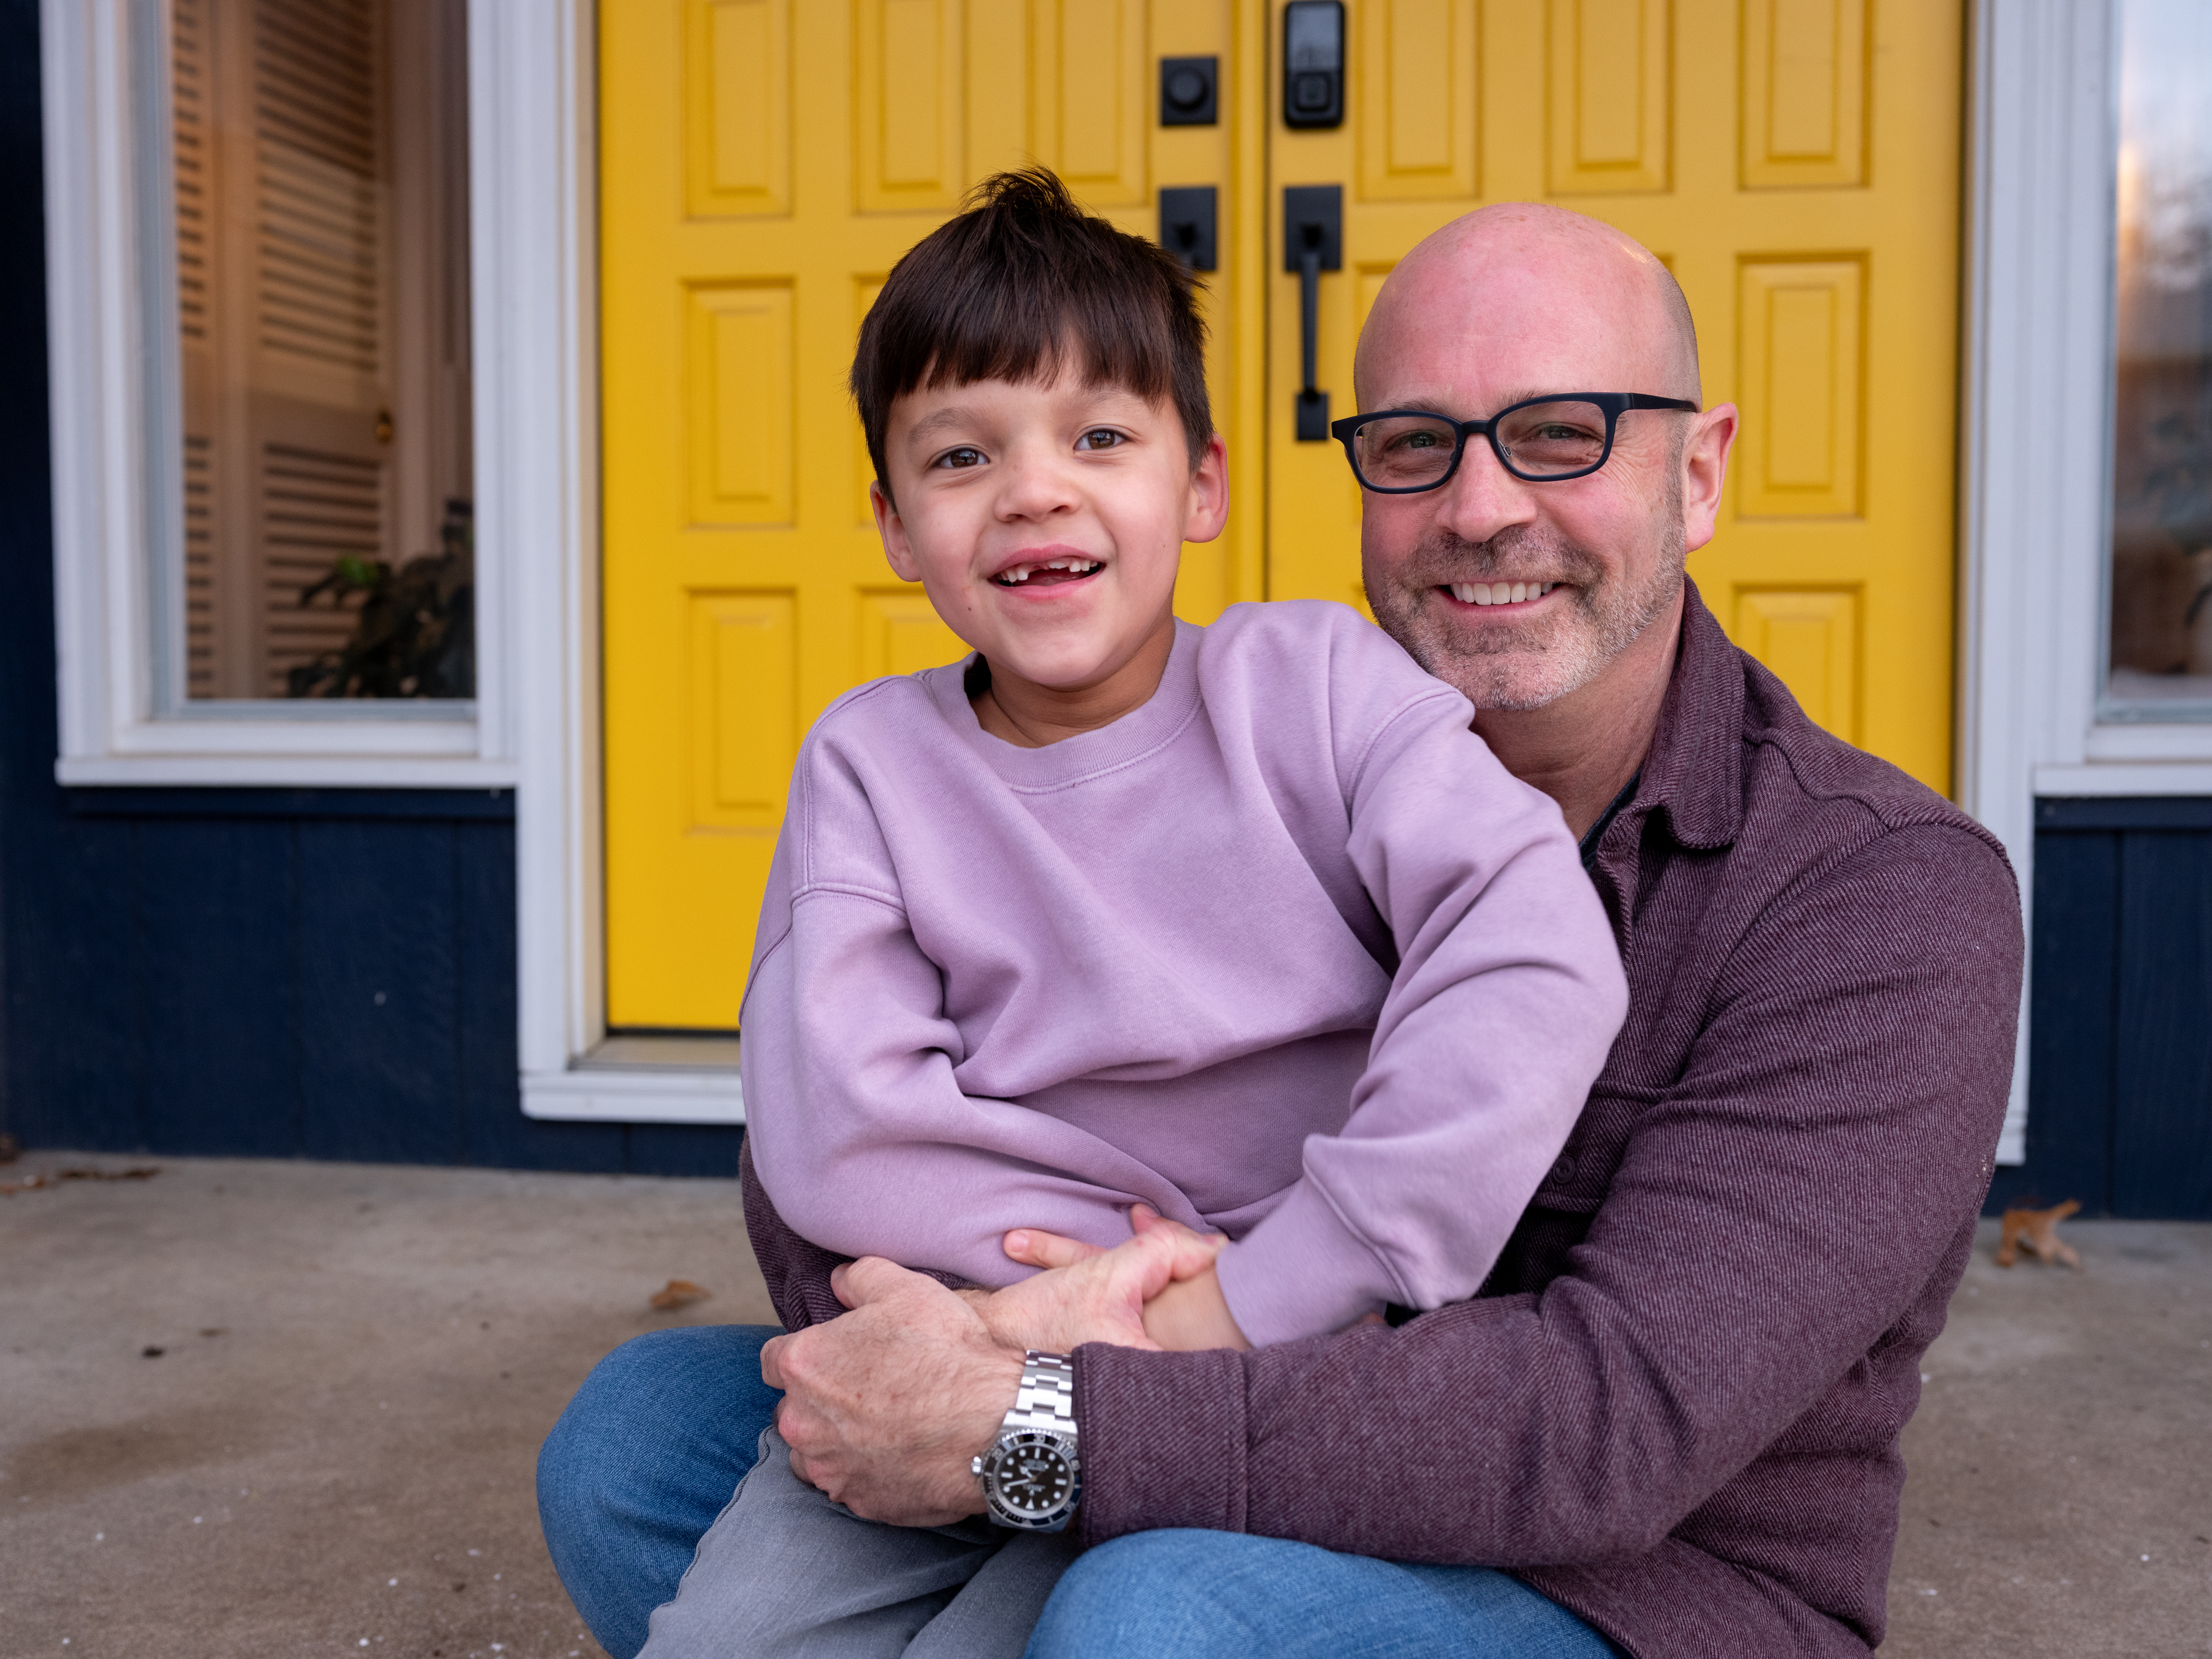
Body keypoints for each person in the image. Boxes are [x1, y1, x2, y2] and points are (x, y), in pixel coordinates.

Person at [539, 202, 2025, 1659]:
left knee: (1149, 1615)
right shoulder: (1268, 743)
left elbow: (1607, 1427)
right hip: (1147, 1362)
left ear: (1698, 474)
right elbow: (824, 1127)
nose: (1485, 506)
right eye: (1415, 447)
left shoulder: (1883, 895)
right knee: (637, 1438)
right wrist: (967, 1334)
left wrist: (1081, 1384)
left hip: (1619, 1567)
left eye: (1564, 433)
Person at [627, 168, 1629, 1657]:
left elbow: (1532, 960)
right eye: (962, 455)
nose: (1037, 488)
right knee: (724, 1639)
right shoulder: (872, 764)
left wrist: (1260, 1283)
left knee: (1065, 1638)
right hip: (965, 1340)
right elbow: (839, 1125)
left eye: (1101, 436)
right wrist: (1064, 1305)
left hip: (1259, 1375)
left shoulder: (1324, 692)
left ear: (1202, 483)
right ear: (896, 524)